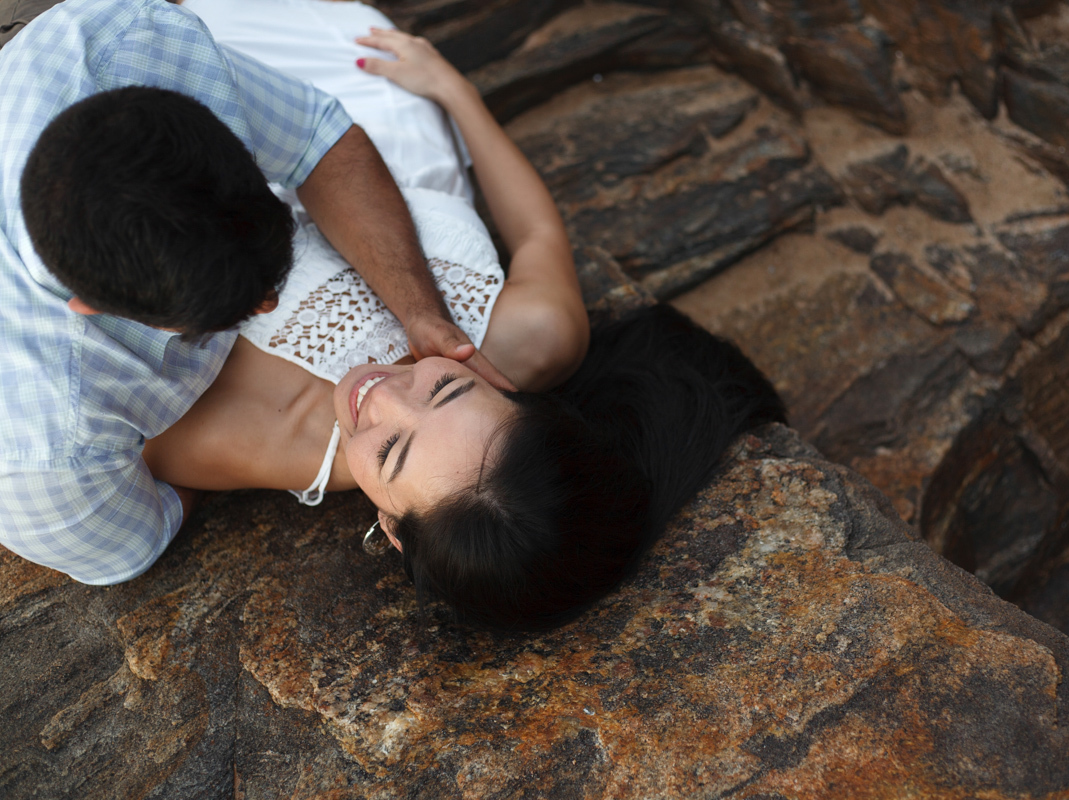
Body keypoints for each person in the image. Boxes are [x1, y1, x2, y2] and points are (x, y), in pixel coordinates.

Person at [147, 0, 786, 631]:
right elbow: (535, 233)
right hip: (371, 101)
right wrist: (454, 91)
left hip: (203, 154)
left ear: (393, 530)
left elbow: (113, 425)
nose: (386, 394)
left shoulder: (269, 439)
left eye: (393, 450)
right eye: (448, 388)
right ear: (513, 391)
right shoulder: (536, 337)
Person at [0, 0, 509, 585]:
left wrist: (420, 310)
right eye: (228, 312)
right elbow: (141, 533)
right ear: (90, 308)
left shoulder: (133, 41)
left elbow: (318, 142)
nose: (271, 303)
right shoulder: (43, 457)